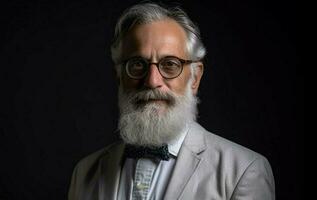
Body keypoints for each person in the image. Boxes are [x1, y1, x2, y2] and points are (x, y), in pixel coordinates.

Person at [68, 2, 275, 200]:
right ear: (119, 76)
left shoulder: (244, 171)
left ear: (194, 77)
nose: (152, 81)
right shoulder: (84, 173)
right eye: (138, 64)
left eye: (169, 64)